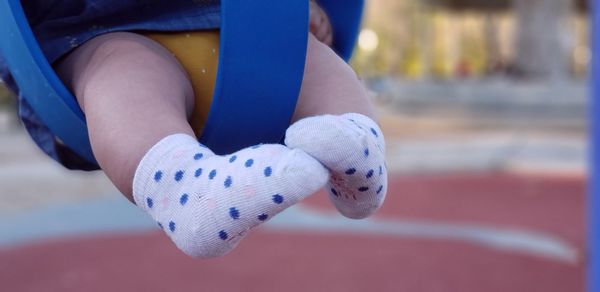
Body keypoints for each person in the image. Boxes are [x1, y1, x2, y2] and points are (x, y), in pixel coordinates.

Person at [1, 0, 388, 258]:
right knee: (122, 79)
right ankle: (186, 187)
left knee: (314, 61)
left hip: (243, 29)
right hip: (108, 31)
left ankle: (353, 142)